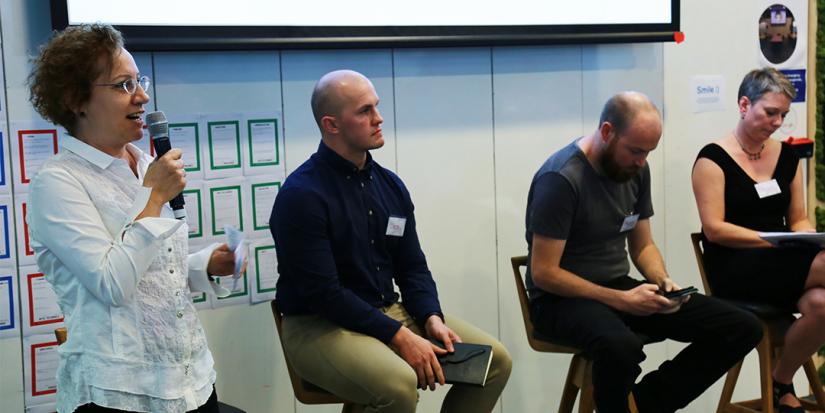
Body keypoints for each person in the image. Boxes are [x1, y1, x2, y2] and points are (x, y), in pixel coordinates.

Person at [27, 24, 240, 413]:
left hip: (191, 379)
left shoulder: (144, 163)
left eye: (139, 81)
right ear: (78, 100)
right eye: (124, 85)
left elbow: (154, 277)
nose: (142, 97)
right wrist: (155, 195)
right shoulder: (57, 183)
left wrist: (203, 266)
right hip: (120, 393)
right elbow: (112, 283)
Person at [271, 69, 512, 413]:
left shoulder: (391, 186)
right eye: (364, 111)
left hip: (389, 312)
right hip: (318, 325)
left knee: (496, 362)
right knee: (398, 385)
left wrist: (431, 317)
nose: (378, 118)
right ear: (332, 125)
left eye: (376, 107)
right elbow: (325, 294)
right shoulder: (301, 196)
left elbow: (412, 266)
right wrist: (398, 336)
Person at [526, 91, 762, 413]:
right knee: (621, 346)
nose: (641, 162)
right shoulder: (562, 178)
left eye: (648, 152)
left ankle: (647, 403)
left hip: (617, 287)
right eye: (635, 151)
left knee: (741, 328)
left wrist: (662, 280)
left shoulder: (635, 170)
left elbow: (643, 245)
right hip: (558, 301)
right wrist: (622, 300)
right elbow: (544, 273)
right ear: (607, 132)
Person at [692, 68, 825, 413]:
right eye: (770, 113)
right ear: (744, 104)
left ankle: (781, 380)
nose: (778, 121)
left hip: (783, 257)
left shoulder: (787, 156)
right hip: (736, 263)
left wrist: (809, 237)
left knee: (821, 305)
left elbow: (798, 218)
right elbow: (714, 229)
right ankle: (783, 386)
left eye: (783, 114)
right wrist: (769, 241)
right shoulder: (712, 159)